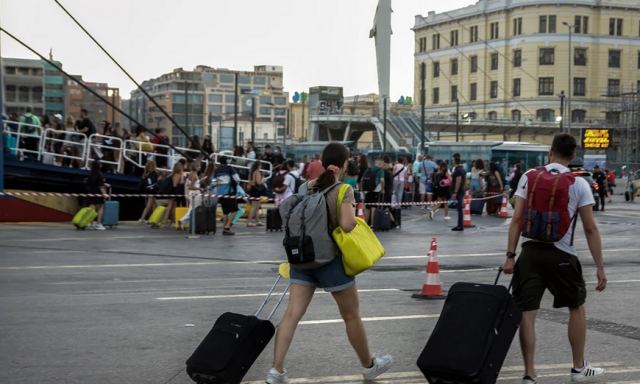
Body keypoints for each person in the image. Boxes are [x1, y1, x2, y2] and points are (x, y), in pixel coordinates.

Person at [265, 142, 392, 384]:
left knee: (292, 314)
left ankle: (276, 371)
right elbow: (346, 224)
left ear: (323, 162)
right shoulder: (343, 189)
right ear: (344, 164)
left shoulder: (306, 186)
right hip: (330, 260)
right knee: (351, 316)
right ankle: (369, 366)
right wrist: (355, 219)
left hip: (301, 258)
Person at [502, 133, 607, 384]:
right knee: (576, 307)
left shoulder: (529, 177)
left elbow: (516, 219)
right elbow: (590, 228)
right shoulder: (578, 183)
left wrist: (510, 256)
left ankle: (529, 373)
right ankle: (578, 368)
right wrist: (600, 267)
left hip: (530, 253)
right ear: (572, 156)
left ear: (550, 151)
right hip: (563, 254)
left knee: (527, 312)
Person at [213, 156, 241, 235]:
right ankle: (227, 227)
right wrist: (236, 184)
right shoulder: (230, 168)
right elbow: (237, 179)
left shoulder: (217, 170)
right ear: (226, 161)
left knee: (225, 212)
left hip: (221, 194)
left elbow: (214, 182)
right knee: (235, 210)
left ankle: (225, 229)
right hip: (229, 192)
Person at [158, 163, 186, 228]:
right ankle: (167, 221)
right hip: (174, 193)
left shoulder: (173, 174)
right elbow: (175, 185)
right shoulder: (177, 175)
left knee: (172, 207)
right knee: (172, 207)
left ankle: (169, 221)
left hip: (174, 192)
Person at [85, 160, 110, 230]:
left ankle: (90, 223)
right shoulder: (100, 174)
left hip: (91, 193)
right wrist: (105, 194)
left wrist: (104, 184)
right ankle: (98, 224)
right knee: (100, 208)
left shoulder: (91, 174)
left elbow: (92, 184)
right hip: (98, 194)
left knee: (91, 209)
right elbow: (101, 186)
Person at [360, 157, 385, 225]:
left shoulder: (368, 169)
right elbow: (382, 181)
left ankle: (366, 224)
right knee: (373, 207)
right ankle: (373, 224)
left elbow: (362, 180)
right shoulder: (380, 170)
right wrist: (383, 190)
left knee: (367, 207)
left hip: (367, 190)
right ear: (380, 163)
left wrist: (362, 189)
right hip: (376, 191)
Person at [246, 161, 267, 227]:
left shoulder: (251, 172)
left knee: (257, 206)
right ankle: (249, 221)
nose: (261, 167)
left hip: (253, 189)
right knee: (254, 206)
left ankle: (257, 220)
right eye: (260, 165)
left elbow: (250, 182)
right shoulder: (257, 172)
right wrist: (263, 180)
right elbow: (258, 182)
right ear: (258, 166)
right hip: (256, 190)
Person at [451, 153, 466, 231]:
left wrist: (455, 192)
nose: (452, 161)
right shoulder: (462, 169)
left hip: (459, 192)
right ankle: (459, 225)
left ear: (455, 161)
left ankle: (460, 226)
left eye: (452, 160)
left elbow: (458, 181)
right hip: (461, 191)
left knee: (459, 209)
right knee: (459, 209)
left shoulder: (458, 170)